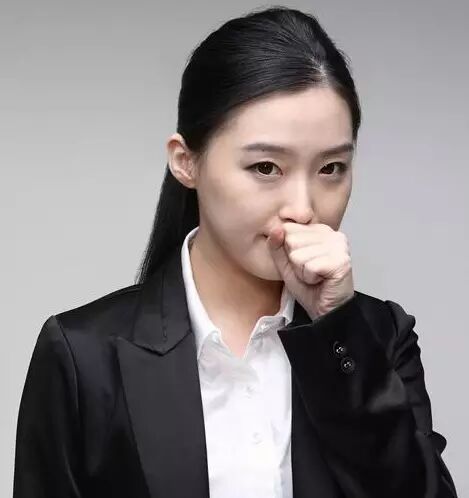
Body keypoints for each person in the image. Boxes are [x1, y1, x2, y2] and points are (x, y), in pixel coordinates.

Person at [13, 6, 458, 498]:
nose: (303, 209)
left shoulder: (378, 337)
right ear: (186, 162)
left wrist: (337, 329)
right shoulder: (85, 355)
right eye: (266, 168)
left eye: (331, 168)